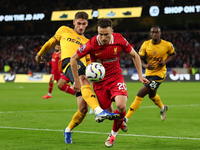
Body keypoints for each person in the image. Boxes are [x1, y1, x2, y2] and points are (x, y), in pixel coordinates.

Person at [35, 12, 119, 144]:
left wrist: (96, 69)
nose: (81, 26)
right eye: (78, 23)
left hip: (81, 67)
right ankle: (98, 111)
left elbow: (88, 61)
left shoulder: (87, 42)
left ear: (87, 24)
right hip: (68, 62)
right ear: (74, 22)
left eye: (83, 24)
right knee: (82, 78)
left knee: (83, 109)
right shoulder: (64, 30)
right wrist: (40, 54)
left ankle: (67, 130)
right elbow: (52, 42)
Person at [70, 18, 149, 148]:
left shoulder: (119, 39)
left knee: (121, 106)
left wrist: (141, 76)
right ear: (97, 31)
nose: (103, 37)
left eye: (106, 34)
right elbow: (73, 58)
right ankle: (120, 120)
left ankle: (113, 135)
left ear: (112, 31)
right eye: (100, 34)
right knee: (109, 111)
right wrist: (77, 81)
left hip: (116, 77)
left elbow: (135, 55)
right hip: (100, 83)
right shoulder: (91, 44)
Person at [124, 25, 176, 126]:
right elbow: (139, 57)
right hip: (149, 74)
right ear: (150, 33)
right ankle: (163, 108)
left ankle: (125, 119)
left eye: (156, 32)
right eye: (152, 32)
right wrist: (145, 65)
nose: (154, 34)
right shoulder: (145, 44)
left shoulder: (167, 45)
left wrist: (164, 62)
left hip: (159, 74)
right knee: (152, 95)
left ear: (160, 33)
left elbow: (173, 54)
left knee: (140, 94)